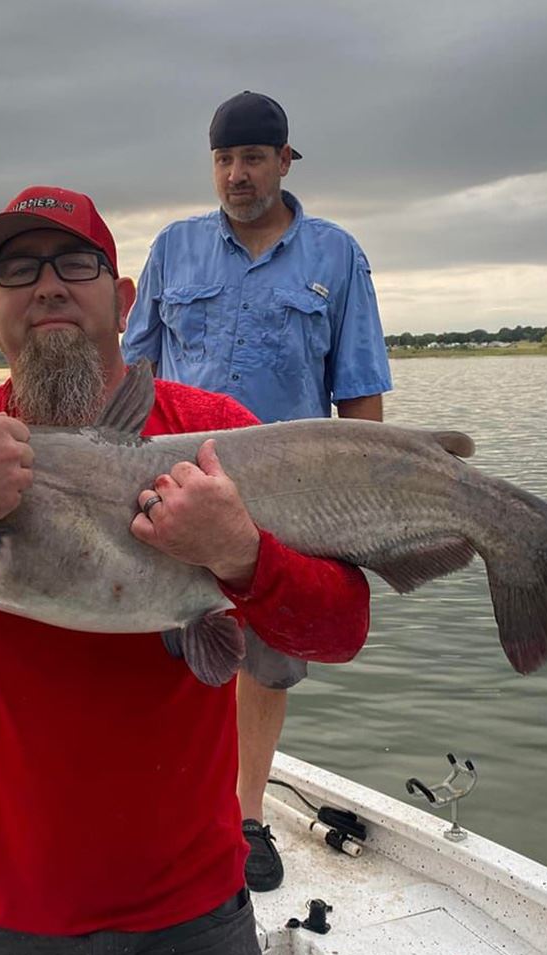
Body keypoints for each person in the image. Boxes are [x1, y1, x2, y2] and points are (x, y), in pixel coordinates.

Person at [0, 185, 370, 955]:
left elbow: (337, 631)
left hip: (196, 919)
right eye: (20, 270)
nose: (49, 285)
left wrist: (240, 554)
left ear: (124, 300)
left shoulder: (217, 436)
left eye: (76, 264)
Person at [122, 91, 391, 893]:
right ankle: (163, 810)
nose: (237, 175)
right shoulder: (173, 248)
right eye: (224, 160)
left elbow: (361, 393)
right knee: (163, 648)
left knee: (268, 663)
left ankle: (246, 818)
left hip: (293, 500)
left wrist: (364, 508)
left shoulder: (336, 256)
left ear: (284, 160)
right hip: (169, 485)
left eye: (252, 158)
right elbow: (132, 371)